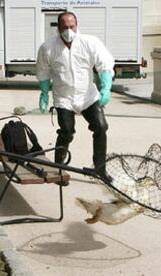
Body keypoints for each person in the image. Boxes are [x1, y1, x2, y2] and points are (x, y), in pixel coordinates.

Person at [36, 11, 114, 184]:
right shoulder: (48, 47)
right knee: (67, 131)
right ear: (58, 27)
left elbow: (105, 63)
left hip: (88, 96)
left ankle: (100, 169)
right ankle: (59, 168)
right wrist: (44, 93)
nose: (69, 30)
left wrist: (106, 87)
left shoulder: (90, 42)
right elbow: (43, 70)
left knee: (101, 127)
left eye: (72, 26)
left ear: (77, 25)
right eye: (65, 27)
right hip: (64, 97)